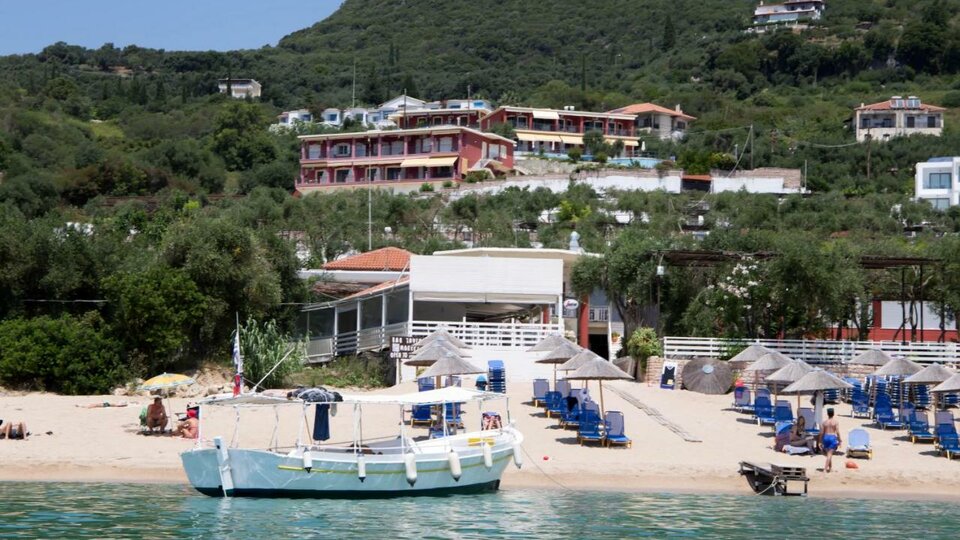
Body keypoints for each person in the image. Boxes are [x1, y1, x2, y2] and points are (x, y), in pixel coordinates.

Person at [818, 407, 842, 472]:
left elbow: (821, 432)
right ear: (833, 413)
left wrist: (820, 441)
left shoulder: (824, 422)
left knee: (828, 453)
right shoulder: (835, 422)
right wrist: (840, 440)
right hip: (832, 437)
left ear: (827, 414)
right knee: (829, 454)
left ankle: (830, 468)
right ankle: (825, 469)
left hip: (825, 437)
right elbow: (837, 432)